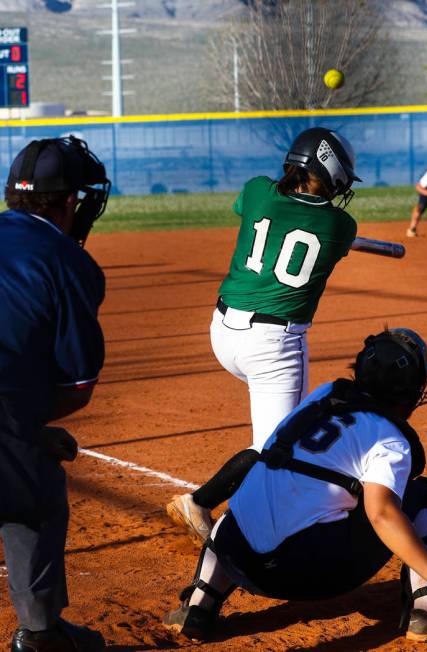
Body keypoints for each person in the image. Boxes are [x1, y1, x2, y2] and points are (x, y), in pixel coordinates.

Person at [163, 327, 427, 644]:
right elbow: (381, 514)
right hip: (310, 577)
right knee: (424, 495)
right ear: (412, 391)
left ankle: (198, 605)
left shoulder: (323, 395)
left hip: (238, 560)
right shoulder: (389, 437)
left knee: (255, 493)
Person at [166, 127, 360, 543]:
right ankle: (201, 501)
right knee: (277, 445)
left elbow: (268, 211)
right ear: (329, 174)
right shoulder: (341, 226)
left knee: (290, 427)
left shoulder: (256, 191)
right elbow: (318, 230)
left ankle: (302, 483)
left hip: (223, 332)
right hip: (273, 347)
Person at [0, 136, 111, 651]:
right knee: (36, 497)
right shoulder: (70, 263)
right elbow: (75, 387)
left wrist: (24, 433)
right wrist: (27, 432)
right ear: (70, 202)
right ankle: (40, 634)